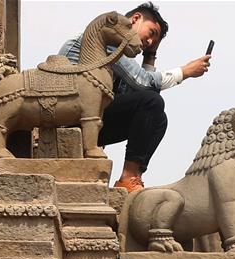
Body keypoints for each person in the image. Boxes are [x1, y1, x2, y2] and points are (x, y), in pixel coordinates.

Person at [59, 2, 212, 192]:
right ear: (136, 19)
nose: (149, 42)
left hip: (91, 116)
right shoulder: (105, 37)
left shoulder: (119, 59)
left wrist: (150, 54)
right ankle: (128, 176)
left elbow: (137, 94)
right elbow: (143, 82)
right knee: (152, 101)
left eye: (153, 42)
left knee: (158, 117)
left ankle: (132, 176)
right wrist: (185, 71)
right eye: (151, 33)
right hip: (69, 114)